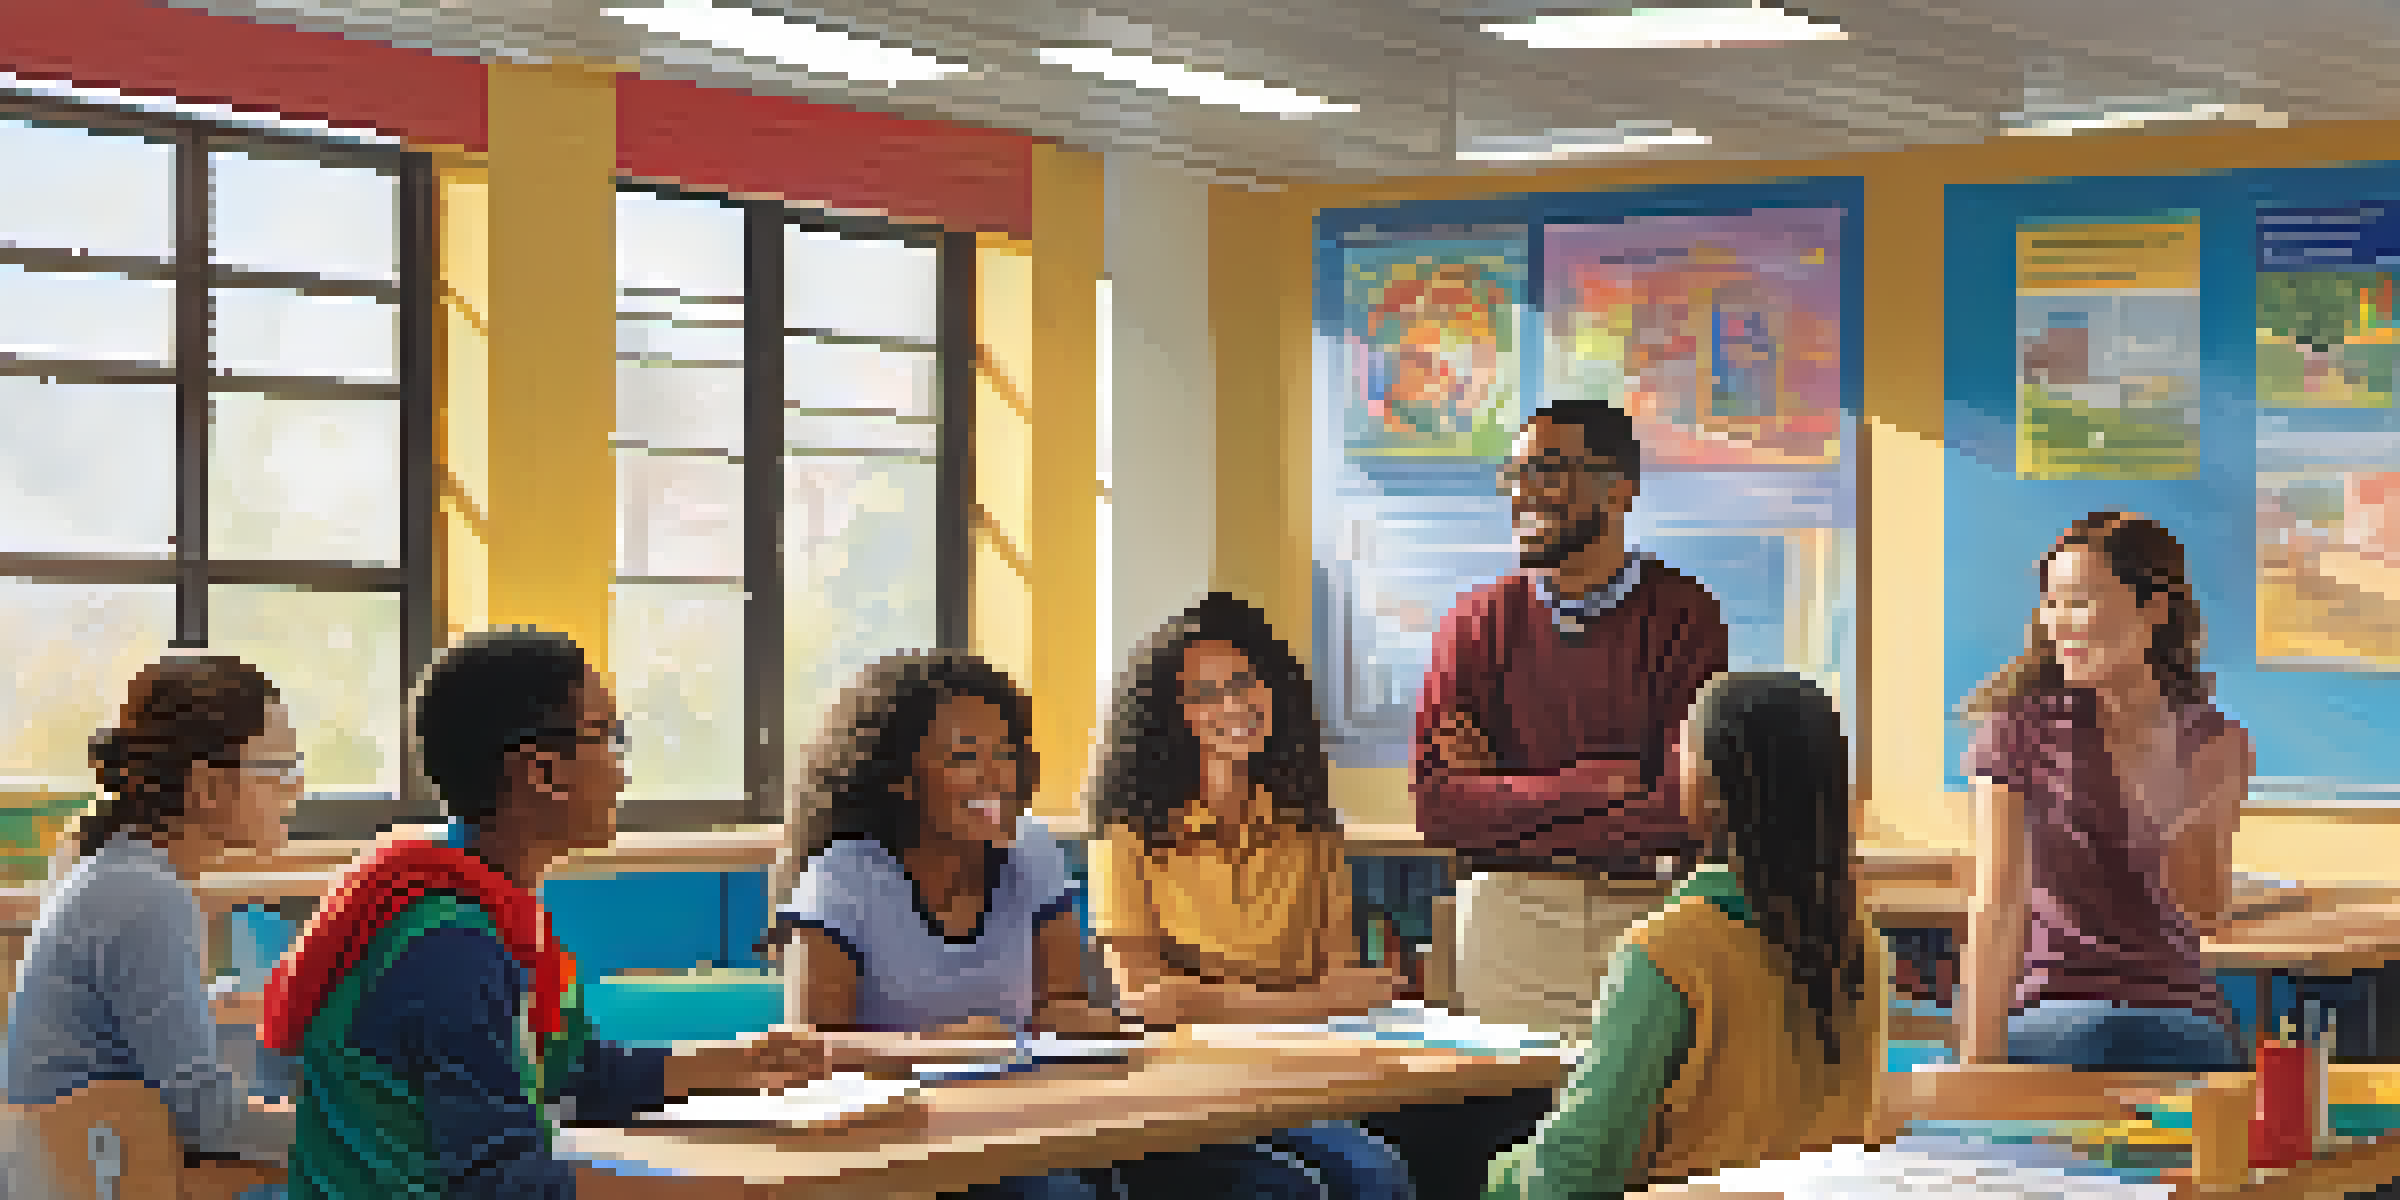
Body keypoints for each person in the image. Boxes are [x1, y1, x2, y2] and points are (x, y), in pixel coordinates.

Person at [260, 627, 826, 1199]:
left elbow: (581, 1073)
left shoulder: (485, 901)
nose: (621, 769)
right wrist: (748, 1187)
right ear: (542, 772)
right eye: (608, 736)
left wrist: (747, 1064)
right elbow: (504, 1183)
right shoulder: (451, 947)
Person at [1399, 400, 1729, 1196]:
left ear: (1621, 489)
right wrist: (1581, 785)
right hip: (1510, 919)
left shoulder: (1685, 615)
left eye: (1550, 468)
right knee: (1508, 1136)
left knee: (1638, 1149)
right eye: (1516, 471)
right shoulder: (1475, 623)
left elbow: (1680, 809)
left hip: (1645, 916)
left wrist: (1503, 797)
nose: (1525, 490)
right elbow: (1439, 810)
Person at [1484, 672, 1887, 1198]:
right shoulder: (1859, 937)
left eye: (1685, 747)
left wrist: (1502, 1175)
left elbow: (1579, 1165)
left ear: (1709, 785)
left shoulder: (1669, 952)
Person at [1087, 592, 1417, 1200]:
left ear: (1273, 691)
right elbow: (1144, 998)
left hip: (1299, 1071)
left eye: (1244, 683)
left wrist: (1211, 997)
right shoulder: (1127, 834)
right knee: (1285, 1188)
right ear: (1172, 713)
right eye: (1205, 693)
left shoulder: (1312, 830)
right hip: (1179, 1080)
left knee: (1376, 1172)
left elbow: (1342, 983)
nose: (1233, 704)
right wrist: (1305, 1001)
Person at [765, 651, 1123, 1200]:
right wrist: (937, 1046)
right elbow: (810, 1049)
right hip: (888, 1139)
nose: (998, 776)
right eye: (964, 756)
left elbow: (1058, 1003)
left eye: (1008, 754)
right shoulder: (842, 877)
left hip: (1019, 1117)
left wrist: (1110, 1021)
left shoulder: (1033, 852)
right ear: (901, 780)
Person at [1960, 513, 2250, 1070]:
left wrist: (1978, 1064)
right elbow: (1997, 904)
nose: (2059, 625)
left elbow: (2202, 911)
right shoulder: (2019, 732)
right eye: (2051, 604)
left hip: (2125, 1019)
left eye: (2081, 601)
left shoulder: (2211, 740)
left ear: (2154, 608)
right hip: (2154, 1025)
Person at [5, 657, 302, 1196]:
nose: (297, 786)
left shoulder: (120, 870)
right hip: (104, 1172)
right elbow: (204, 1113)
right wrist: (343, 1131)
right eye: (279, 767)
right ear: (207, 787)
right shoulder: (145, 895)